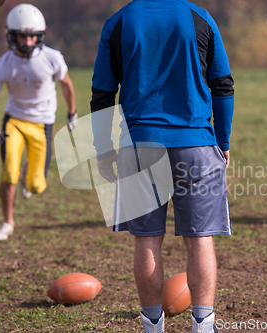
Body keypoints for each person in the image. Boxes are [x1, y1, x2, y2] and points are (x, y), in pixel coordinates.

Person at [91, 1, 234, 332]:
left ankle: (152, 326)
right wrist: (223, 142)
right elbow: (223, 85)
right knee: (200, 240)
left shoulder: (118, 22)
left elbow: (102, 93)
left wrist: (102, 150)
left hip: (139, 145)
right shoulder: (201, 17)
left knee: (147, 240)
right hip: (196, 144)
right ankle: (203, 325)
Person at [0, 4, 77, 241]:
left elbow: (66, 84)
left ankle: (28, 173)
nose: (29, 40)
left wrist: (72, 113)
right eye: (23, 35)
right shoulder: (2, 65)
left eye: (33, 35)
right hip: (14, 122)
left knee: (36, 186)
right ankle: (7, 222)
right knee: (8, 173)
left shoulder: (52, 58)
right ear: (12, 35)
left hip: (42, 124)